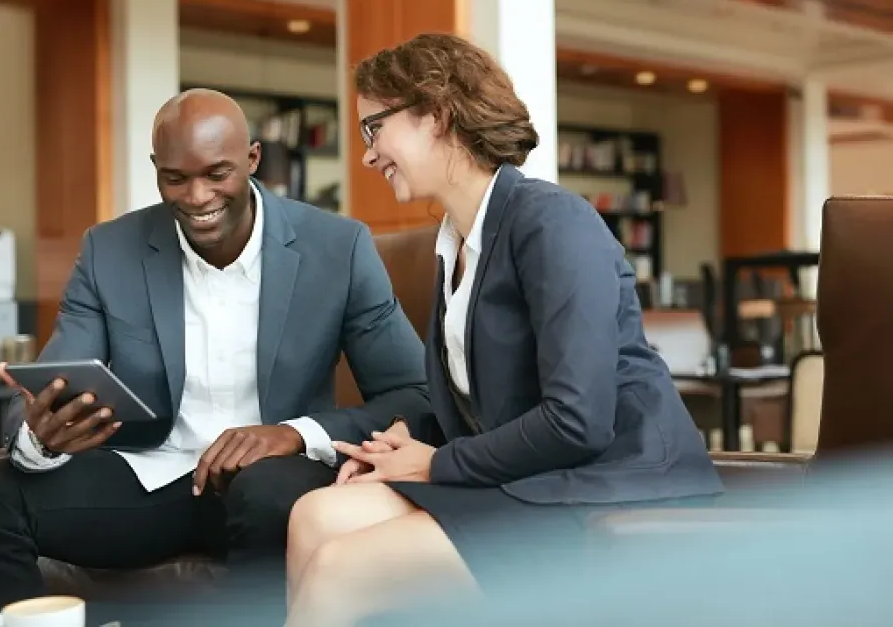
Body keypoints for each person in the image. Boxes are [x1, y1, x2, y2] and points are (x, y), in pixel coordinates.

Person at [283, 33, 724, 627]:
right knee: (313, 515)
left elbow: (577, 420)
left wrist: (434, 465)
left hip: (613, 486)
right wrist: (397, 448)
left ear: (436, 115)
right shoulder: (453, 246)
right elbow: (488, 405)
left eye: (374, 128)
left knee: (343, 569)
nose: (367, 154)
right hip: (535, 479)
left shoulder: (553, 222)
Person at [0, 88, 432, 615]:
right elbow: (50, 383)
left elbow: (413, 396)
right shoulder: (109, 250)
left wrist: (294, 435)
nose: (197, 196)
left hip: (275, 483)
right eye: (175, 178)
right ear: (156, 170)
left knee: (265, 491)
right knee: (0, 488)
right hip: (150, 476)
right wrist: (38, 439)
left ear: (252, 159)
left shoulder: (338, 247)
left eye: (216, 174)